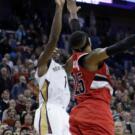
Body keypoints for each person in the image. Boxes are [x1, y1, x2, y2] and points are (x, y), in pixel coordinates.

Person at [66, 1, 135, 134]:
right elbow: (121, 45)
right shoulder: (92, 57)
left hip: (78, 113)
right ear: (89, 41)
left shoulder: (76, 55)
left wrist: (73, 13)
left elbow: (76, 31)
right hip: (96, 114)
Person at [33, 0, 71, 135]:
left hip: (63, 113)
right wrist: (59, 9)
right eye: (50, 49)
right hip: (48, 110)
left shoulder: (63, 68)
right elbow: (54, 38)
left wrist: (73, 16)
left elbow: (79, 55)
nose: (54, 49)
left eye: (56, 49)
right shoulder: (42, 65)